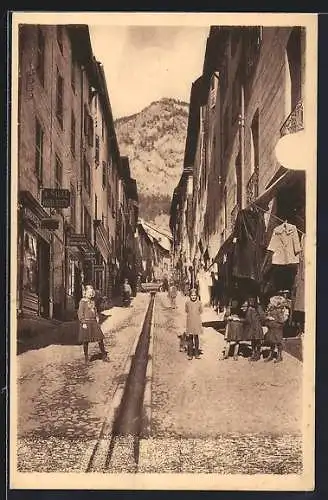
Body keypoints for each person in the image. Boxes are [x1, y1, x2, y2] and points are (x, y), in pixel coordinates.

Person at [78, 284, 108, 363]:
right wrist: (83, 322)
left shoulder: (92, 301)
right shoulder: (82, 302)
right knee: (86, 341)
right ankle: (86, 358)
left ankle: (104, 355)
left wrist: (97, 317)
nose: (90, 294)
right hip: (86, 323)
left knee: (100, 338)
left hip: (93, 322)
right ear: (85, 293)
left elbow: (95, 310)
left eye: (92, 292)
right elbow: (80, 313)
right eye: (89, 292)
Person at [264, 295, 290, 363]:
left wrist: (277, 319)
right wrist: (268, 318)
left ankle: (279, 356)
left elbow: (282, 319)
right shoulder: (272, 309)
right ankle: (271, 355)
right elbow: (267, 315)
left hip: (278, 327)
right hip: (272, 327)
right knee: (271, 341)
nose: (271, 303)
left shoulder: (282, 310)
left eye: (273, 302)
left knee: (278, 341)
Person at [244, 297, 266, 362]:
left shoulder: (258, 307)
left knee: (258, 340)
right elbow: (247, 318)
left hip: (256, 326)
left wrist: (259, 321)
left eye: (252, 300)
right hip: (251, 326)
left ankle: (258, 354)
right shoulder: (249, 308)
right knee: (253, 340)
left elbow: (262, 316)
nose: (250, 302)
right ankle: (253, 353)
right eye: (249, 300)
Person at [185, 288, 203, 360]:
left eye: (194, 295)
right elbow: (186, 310)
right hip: (190, 322)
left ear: (197, 296)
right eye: (192, 295)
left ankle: (196, 354)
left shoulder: (199, 303)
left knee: (196, 338)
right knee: (190, 338)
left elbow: (201, 311)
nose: (193, 297)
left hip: (197, 322)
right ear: (190, 296)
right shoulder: (187, 303)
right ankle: (190, 354)